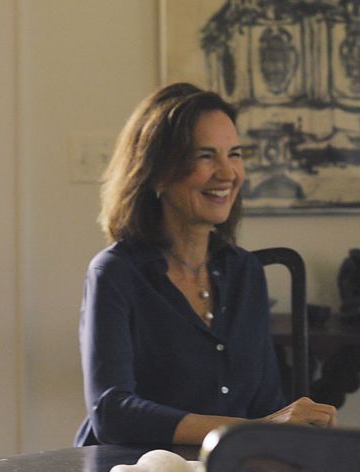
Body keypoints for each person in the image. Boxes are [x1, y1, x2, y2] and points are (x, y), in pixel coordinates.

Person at [76, 83, 336, 446]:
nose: (227, 172)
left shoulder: (245, 273)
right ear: (158, 171)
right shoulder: (115, 274)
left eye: (235, 154)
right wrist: (252, 428)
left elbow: (267, 404)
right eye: (205, 156)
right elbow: (112, 412)